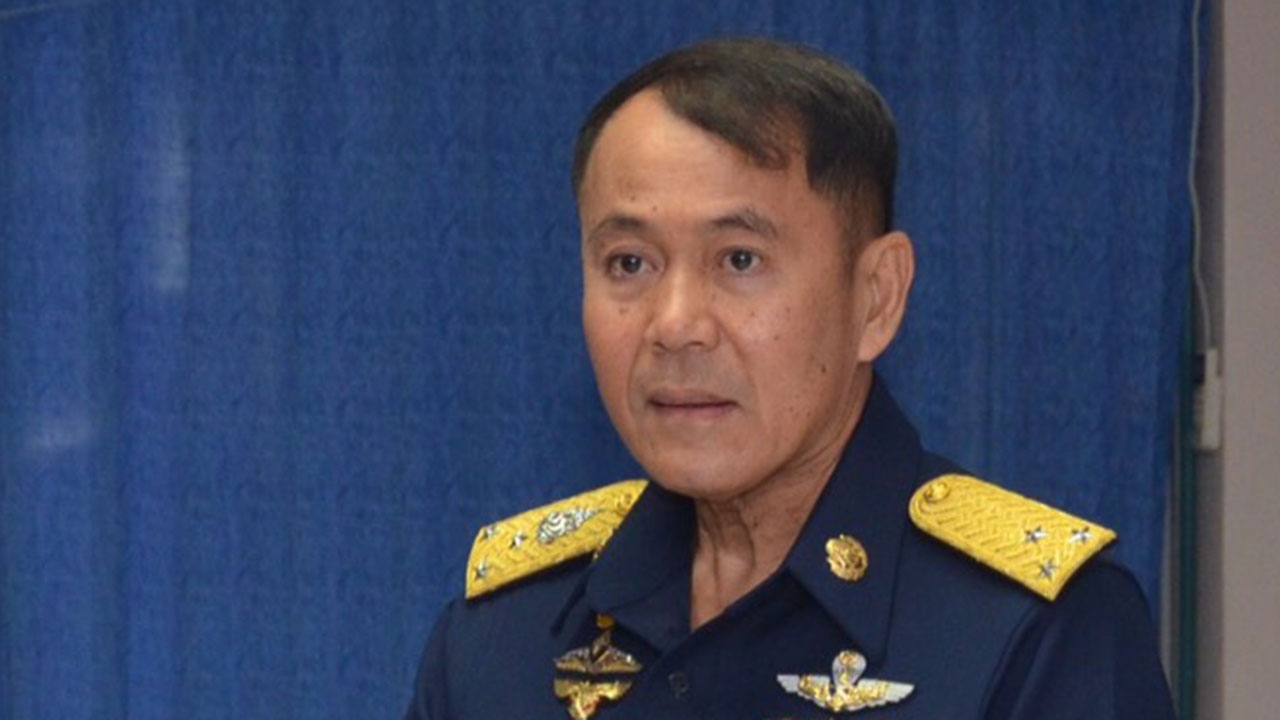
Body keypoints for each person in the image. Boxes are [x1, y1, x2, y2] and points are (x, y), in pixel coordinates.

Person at [404, 37, 1175, 720]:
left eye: (739, 260)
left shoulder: (1033, 633)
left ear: (876, 298)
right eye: (629, 263)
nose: (675, 324)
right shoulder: (503, 637)